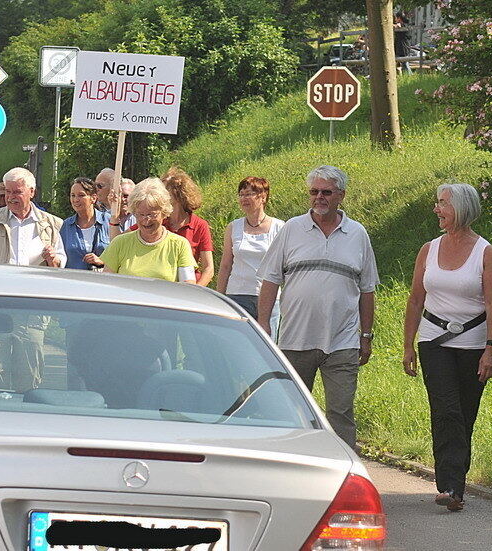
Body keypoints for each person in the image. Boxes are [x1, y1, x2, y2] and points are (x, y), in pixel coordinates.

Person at [257, 165, 378, 449]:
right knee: (293, 413)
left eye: (326, 192)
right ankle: (293, 467)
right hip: (295, 340)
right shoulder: (292, 229)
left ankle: (345, 475)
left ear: (341, 196)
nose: (319, 197)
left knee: (341, 413)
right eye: (314, 192)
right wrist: (263, 325)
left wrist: (367, 335)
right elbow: (271, 280)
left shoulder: (357, 234)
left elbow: (367, 289)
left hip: (342, 342)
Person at [403, 183, 492, 512]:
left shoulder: (486, 253)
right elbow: (416, 300)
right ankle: (449, 487)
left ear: (461, 208)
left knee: (465, 415)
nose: (436, 209)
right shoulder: (428, 249)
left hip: (473, 345)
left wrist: (491, 349)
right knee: (446, 410)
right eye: (437, 203)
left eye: (442, 203)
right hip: (434, 341)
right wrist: (408, 346)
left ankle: (456, 484)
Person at [0, 167, 66, 392]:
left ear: (32, 192)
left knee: (30, 370)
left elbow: (61, 262)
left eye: (17, 192)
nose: (10, 197)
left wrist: (53, 259)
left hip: (34, 307)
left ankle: (27, 418)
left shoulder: (52, 224)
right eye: (7, 192)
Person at [98, 178, 197, 283]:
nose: (146, 220)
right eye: (140, 214)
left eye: (152, 214)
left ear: (164, 212)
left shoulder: (180, 245)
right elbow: (106, 284)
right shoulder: (119, 243)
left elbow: (188, 286)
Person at [217, 176, 285, 328]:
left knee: (267, 345)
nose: (244, 199)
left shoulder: (279, 227)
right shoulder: (233, 227)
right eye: (241, 194)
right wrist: (220, 297)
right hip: (237, 296)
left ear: (263, 197)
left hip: (268, 298)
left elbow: (285, 265)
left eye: (249, 194)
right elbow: (226, 265)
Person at [157, 168, 214, 286]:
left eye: (165, 190)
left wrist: (195, 291)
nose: (160, 195)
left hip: (190, 287)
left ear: (178, 193)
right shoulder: (157, 221)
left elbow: (208, 268)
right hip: (162, 287)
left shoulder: (200, 225)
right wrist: (114, 220)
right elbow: (121, 237)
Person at [60, 177, 111, 270]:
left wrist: (101, 261)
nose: (75, 200)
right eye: (73, 195)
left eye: (81, 195)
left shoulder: (108, 221)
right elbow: (60, 257)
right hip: (73, 281)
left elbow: (119, 256)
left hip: (103, 281)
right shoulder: (66, 226)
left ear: (93, 198)